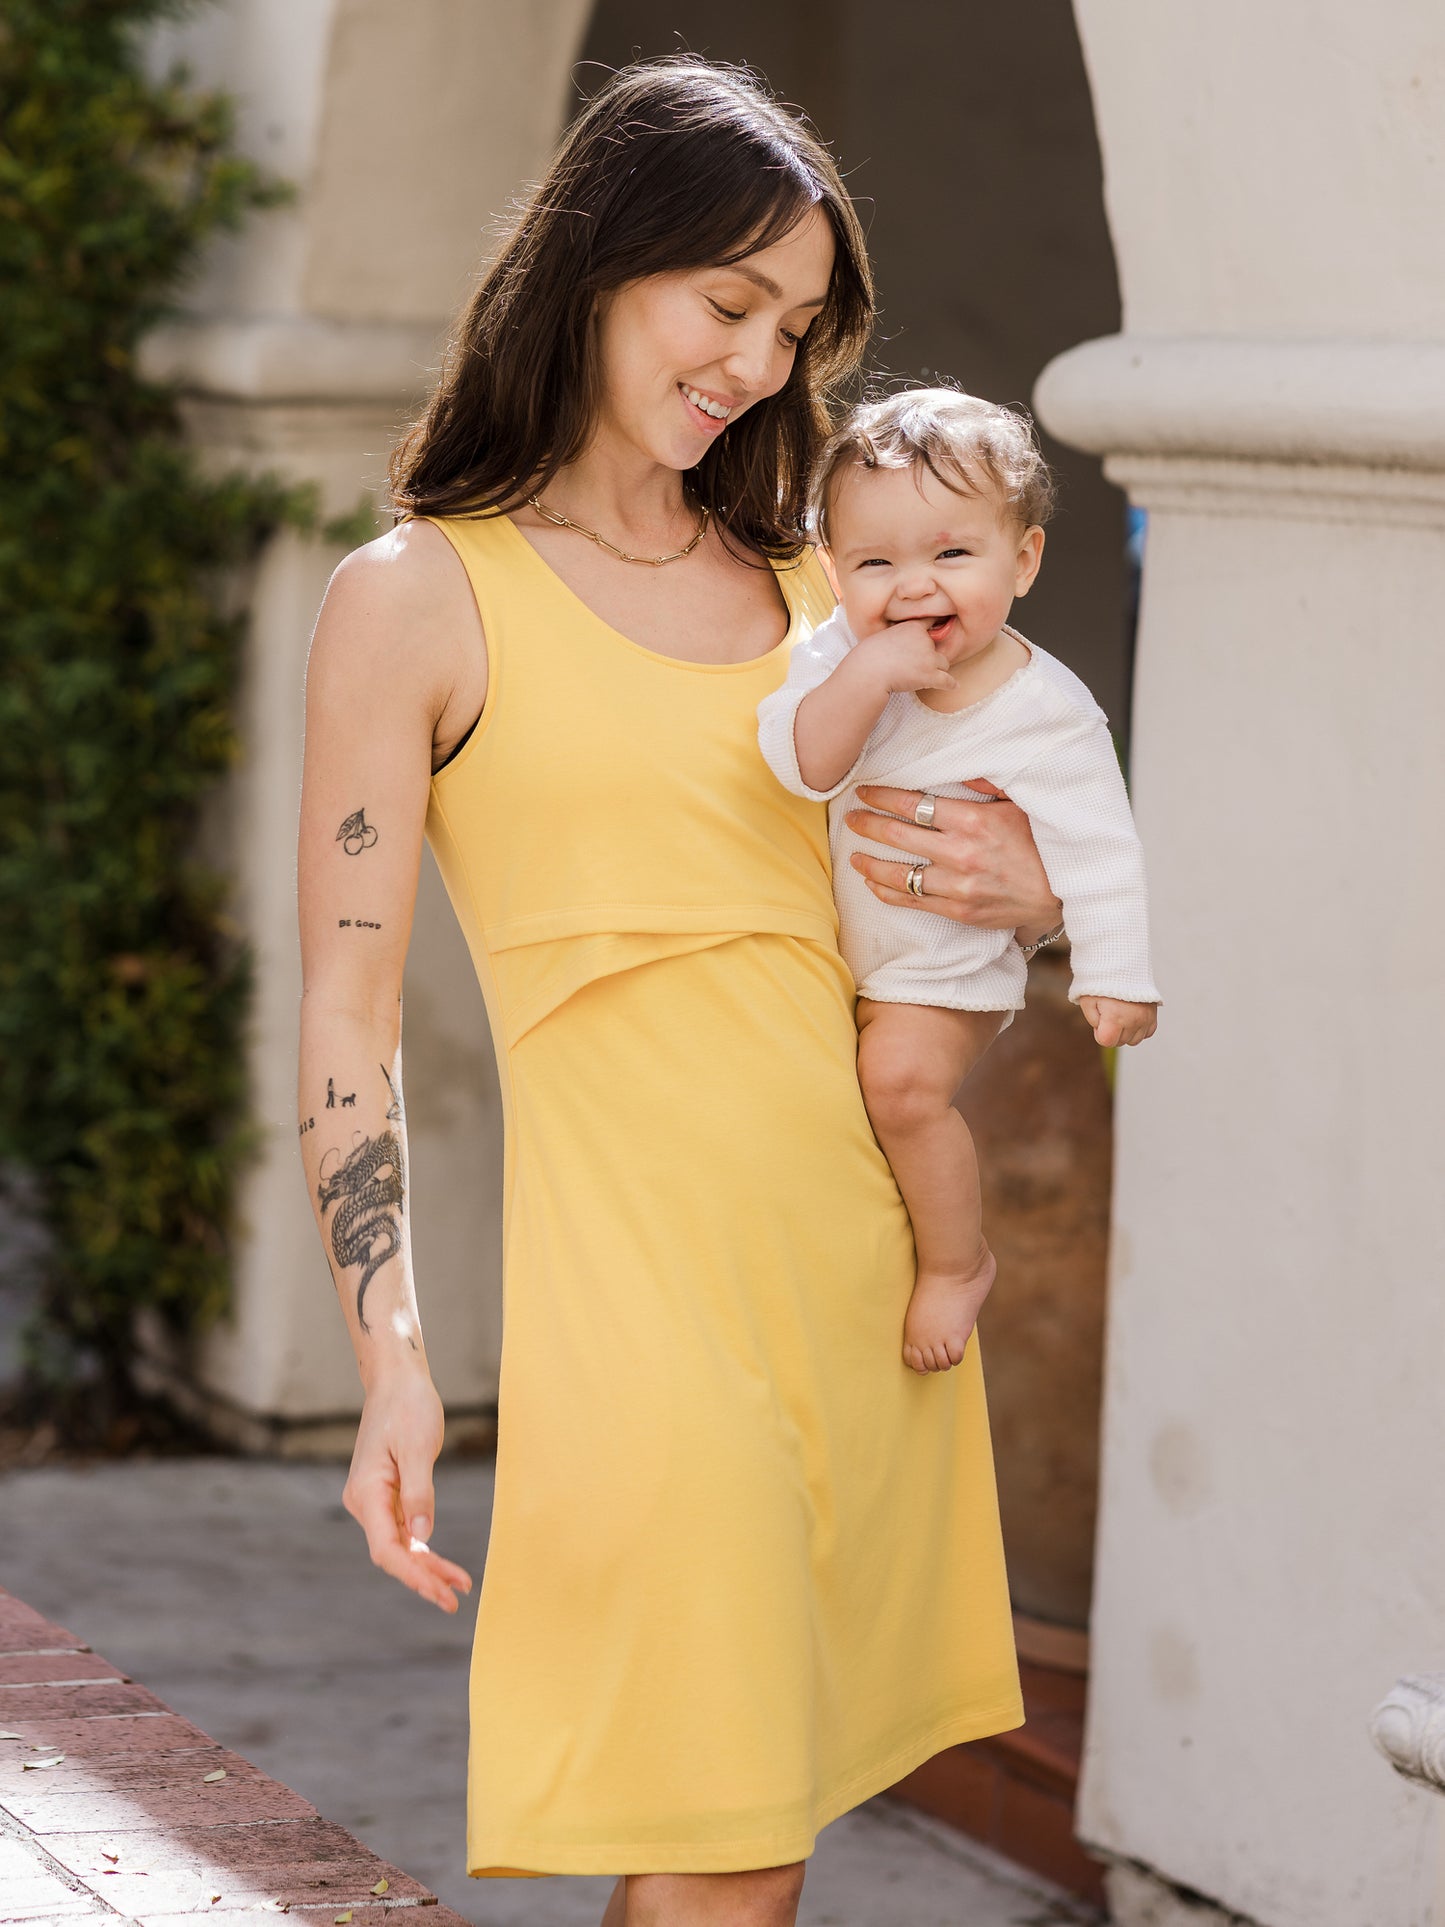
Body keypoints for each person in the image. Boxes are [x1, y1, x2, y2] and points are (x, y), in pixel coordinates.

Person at [296, 59, 1064, 1927]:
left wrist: (1032, 907)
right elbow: (346, 1015)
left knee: (759, 1837)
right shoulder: (416, 596)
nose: (753, 362)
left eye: (791, 329)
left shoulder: (820, 579)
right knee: (717, 1825)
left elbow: (943, 910)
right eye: (725, 303)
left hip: (854, 1266)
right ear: (596, 261)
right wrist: (389, 1354)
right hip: (641, 1306)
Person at [758, 388, 1160, 1377]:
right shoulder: (834, 657)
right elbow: (797, 761)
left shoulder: (1047, 715)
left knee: (897, 1090)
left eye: (949, 555)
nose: (911, 587)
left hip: (942, 968)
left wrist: (1115, 975)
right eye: (874, 563)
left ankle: (954, 1262)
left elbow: (1099, 849)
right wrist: (863, 677)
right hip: (835, 958)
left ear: (1019, 561)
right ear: (829, 570)